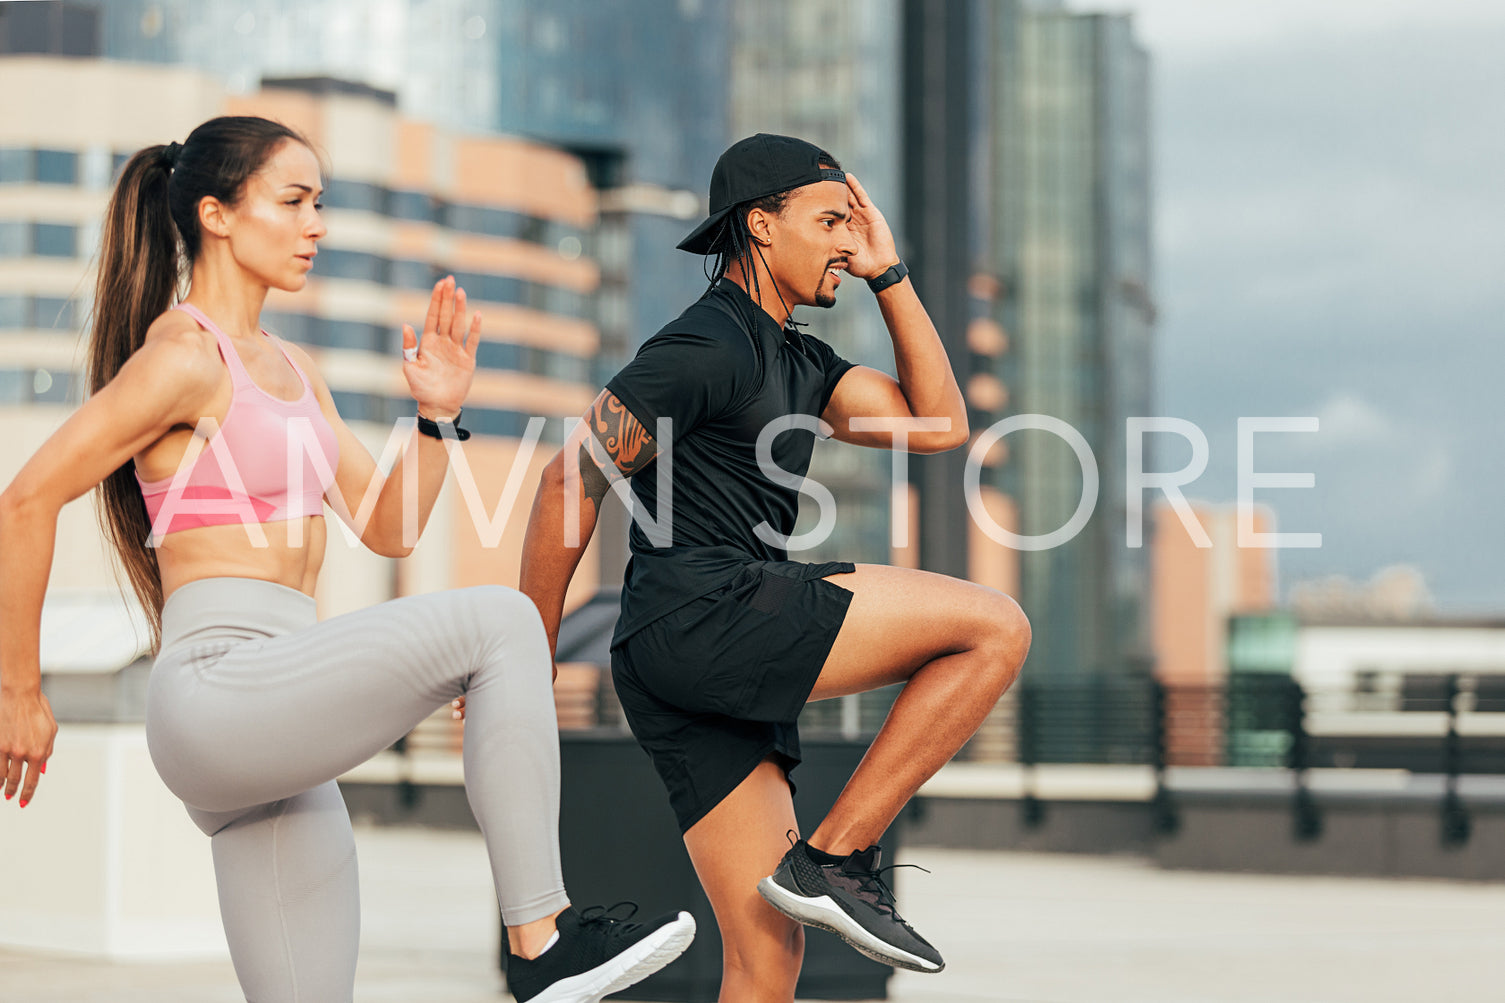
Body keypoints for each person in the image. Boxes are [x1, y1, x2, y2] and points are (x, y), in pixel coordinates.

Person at [0, 115, 693, 1003]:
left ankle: (537, 947)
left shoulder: (292, 367)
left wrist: (439, 415)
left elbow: (391, 525)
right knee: (503, 620)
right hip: (219, 689)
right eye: (293, 201)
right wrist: (21, 691)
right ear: (216, 214)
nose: (316, 225)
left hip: (277, 724)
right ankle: (540, 940)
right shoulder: (181, 357)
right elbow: (25, 499)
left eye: (320, 203)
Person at [515, 133, 1032, 1001]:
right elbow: (570, 479)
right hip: (705, 609)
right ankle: (833, 856)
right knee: (993, 627)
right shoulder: (708, 343)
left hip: (673, 654)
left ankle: (820, 866)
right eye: (829, 221)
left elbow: (937, 423)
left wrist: (888, 273)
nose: (845, 240)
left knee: (766, 962)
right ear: (761, 225)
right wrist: (524, 650)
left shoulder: (798, 358)